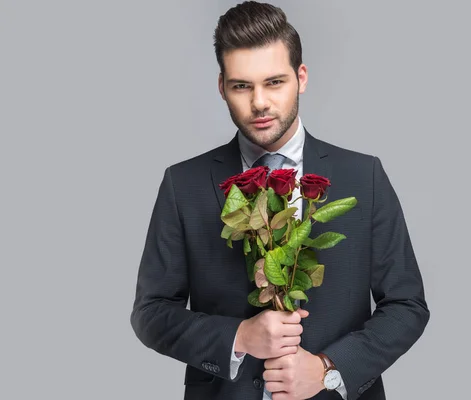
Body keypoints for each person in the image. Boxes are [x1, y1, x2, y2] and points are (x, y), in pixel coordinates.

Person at [130, 2, 430, 399]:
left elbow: (407, 305)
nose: (259, 103)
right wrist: (238, 336)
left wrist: (328, 370)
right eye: (242, 86)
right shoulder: (182, 183)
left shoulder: (364, 176)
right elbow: (150, 314)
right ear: (222, 87)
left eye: (274, 82)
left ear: (300, 78)